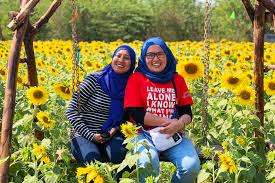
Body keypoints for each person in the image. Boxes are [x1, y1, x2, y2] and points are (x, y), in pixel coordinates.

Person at [124, 37, 200, 183]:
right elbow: (136, 113)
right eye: (150, 55)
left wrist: (179, 124)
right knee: (147, 162)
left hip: (172, 135)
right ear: (144, 57)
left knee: (191, 166)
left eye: (160, 54)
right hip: (142, 134)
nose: (155, 59)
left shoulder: (177, 80)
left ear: (167, 55)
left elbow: (187, 112)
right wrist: (169, 122)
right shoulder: (136, 79)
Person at [66, 45, 136, 165]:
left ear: (132, 63)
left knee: (122, 158)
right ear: (112, 58)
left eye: (126, 58)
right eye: (118, 56)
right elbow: (71, 110)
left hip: (110, 135)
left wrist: (115, 129)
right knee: (92, 161)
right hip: (83, 133)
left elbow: (126, 117)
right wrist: (91, 135)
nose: (121, 60)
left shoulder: (131, 86)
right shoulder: (95, 80)